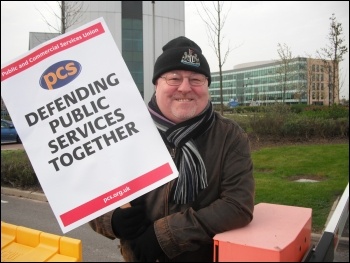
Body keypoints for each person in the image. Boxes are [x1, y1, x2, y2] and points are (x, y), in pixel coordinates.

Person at [89, 36, 255, 262]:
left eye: (196, 79)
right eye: (174, 78)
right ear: (157, 84)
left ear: (207, 85)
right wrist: (112, 220)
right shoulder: (123, 131)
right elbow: (90, 196)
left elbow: (237, 205)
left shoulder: (229, 136)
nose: (185, 88)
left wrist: (164, 236)